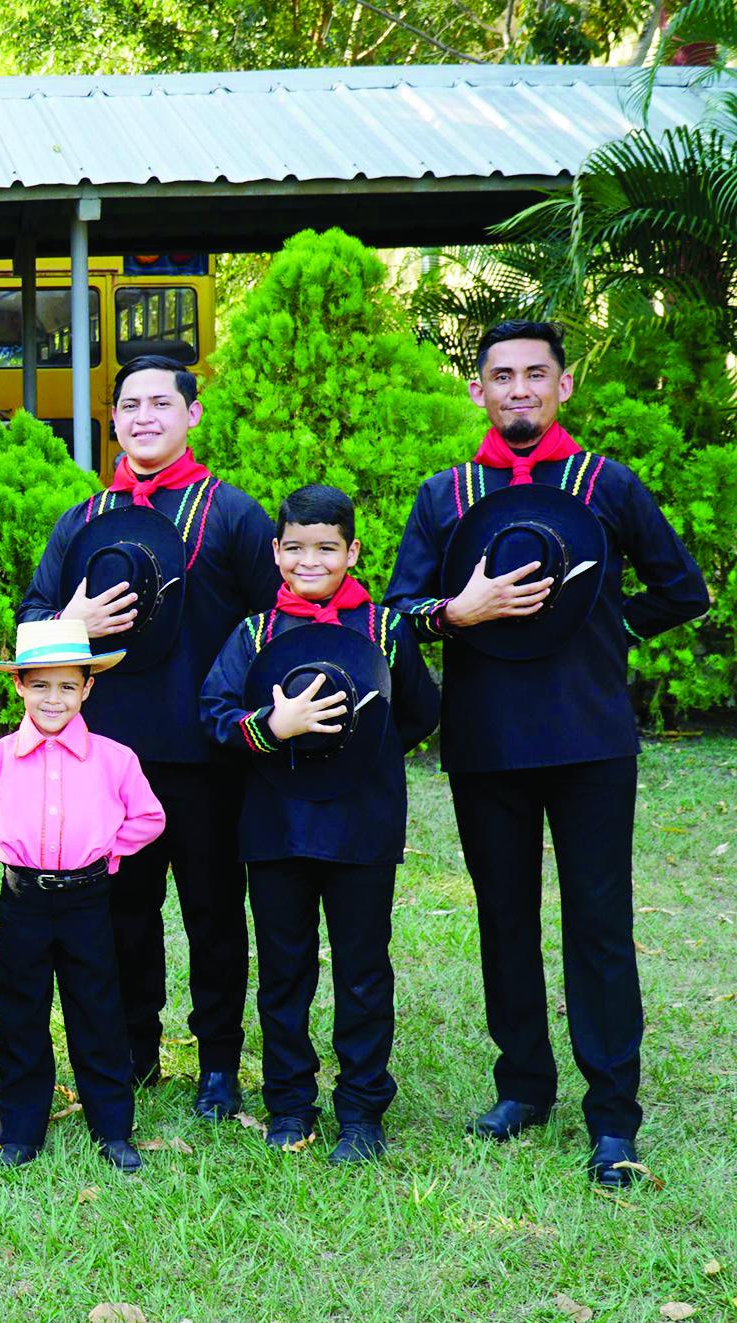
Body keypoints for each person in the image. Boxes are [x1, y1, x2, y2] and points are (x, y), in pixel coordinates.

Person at [385, 321, 707, 1187]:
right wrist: (458, 612)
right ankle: (523, 1085)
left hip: (590, 738)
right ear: (479, 390)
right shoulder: (446, 494)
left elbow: (683, 588)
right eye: (502, 375)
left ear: (564, 385)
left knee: (599, 923)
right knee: (504, 916)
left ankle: (613, 1114)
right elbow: (401, 608)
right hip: (487, 739)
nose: (518, 388)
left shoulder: (608, 483)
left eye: (535, 373)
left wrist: (607, 628)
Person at [18, 355, 279, 1119]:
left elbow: (273, 624)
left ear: (191, 414)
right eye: (129, 405)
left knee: (214, 912)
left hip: (207, 755)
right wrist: (70, 621)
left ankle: (219, 1063)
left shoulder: (233, 514)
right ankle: (134, 1050)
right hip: (107, 756)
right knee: (122, 912)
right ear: (114, 420)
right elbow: (30, 622)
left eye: (160, 404)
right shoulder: (82, 520)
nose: (143, 418)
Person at [201, 485, 440, 1164]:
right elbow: (214, 713)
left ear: (352, 551)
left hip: (363, 824)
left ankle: (362, 1108)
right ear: (276, 552)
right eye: (296, 547)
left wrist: (360, 755)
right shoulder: (254, 633)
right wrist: (272, 728)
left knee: (363, 969)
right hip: (276, 825)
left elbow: (419, 712)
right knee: (284, 968)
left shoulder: (386, 630)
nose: (311, 561)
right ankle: (289, 1103)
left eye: (327, 548)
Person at [0, 618, 162, 1173]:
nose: (53, 698)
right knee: (19, 1010)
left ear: (88, 688)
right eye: (40, 684)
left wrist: (107, 851)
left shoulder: (115, 759)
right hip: (24, 901)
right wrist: (8, 851)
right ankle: (20, 1129)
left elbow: (149, 817)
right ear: (18, 685)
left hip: (89, 900)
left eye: (67, 686)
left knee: (98, 1010)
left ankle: (112, 1127)